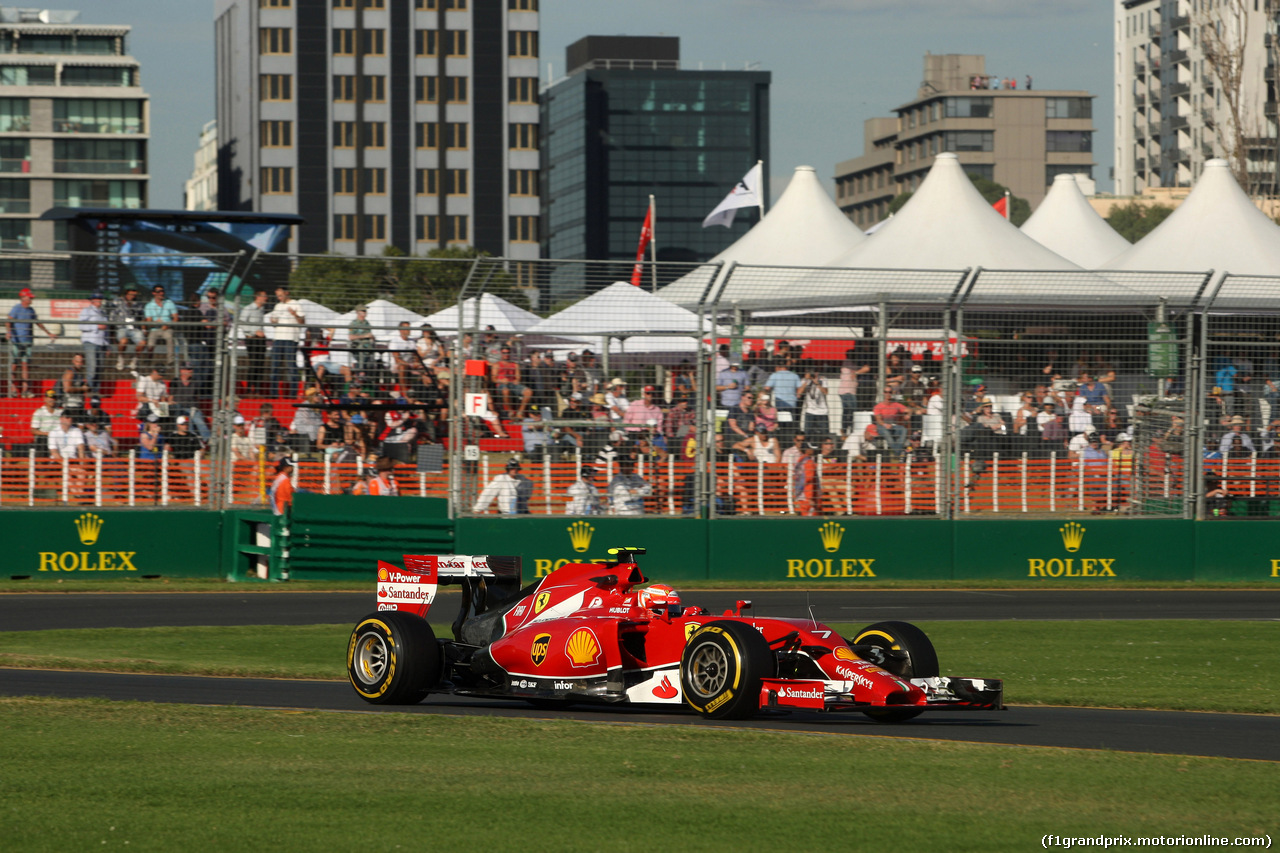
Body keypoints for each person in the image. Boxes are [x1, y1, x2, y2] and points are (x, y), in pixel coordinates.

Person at [8, 287, 59, 397]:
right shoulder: (16, 309)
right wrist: (9, 332)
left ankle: (25, 391)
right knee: (14, 365)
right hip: (17, 342)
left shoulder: (31, 310)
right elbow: (9, 320)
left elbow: (37, 322)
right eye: (29, 297)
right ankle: (12, 389)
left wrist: (48, 333)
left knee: (25, 365)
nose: (31, 299)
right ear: (23, 298)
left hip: (28, 341)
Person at [267, 285, 305, 394]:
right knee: (275, 366)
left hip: (291, 339)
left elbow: (302, 322)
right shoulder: (277, 306)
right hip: (278, 338)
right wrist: (272, 321)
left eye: (280, 295)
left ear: (286, 293)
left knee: (291, 366)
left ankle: (293, 393)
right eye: (277, 296)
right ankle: (273, 394)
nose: (279, 298)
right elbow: (274, 322)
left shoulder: (296, 304)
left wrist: (295, 314)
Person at [238, 290, 269, 395]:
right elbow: (241, 322)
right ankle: (249, 388)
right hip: (252, 339)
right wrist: (254, 331)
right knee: (254, 364)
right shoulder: (248, 308)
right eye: (264, 296)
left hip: (261, 340)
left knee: (260, 364)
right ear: (258, 297)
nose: (266, 298)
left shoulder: (261, 310)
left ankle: (257, 389)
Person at [78, 291, 109, 394]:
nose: (99, 302)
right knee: (92, 366)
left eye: (100, 299)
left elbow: (106, 330)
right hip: (90, 341)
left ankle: (96, 391)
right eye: (96, 299)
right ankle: (89, 390)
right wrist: (96, 326)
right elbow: (81, 326)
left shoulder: (103, 313)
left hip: (101, 342)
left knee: (100, 367)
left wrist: (107, 345)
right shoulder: (86, 311)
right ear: (92, 301)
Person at [169, 362, 211, 441]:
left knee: (199, 422)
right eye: (188, 369)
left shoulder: (195, 382)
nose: (191, 371)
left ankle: (210, 441)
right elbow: (170, 397)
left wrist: (196, 408)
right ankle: (190, 442)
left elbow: (197, 398)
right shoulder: (175, 381)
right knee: (188, 423)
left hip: (192, 408)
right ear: (182, 371)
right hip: (179, 409)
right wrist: (171, 403)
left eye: (191, 369)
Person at [143, 286, 179, 371]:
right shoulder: (149, 305)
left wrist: (168, 325)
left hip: (167, 327)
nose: (161, 293)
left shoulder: (169, 303)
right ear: (154, 293)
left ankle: (170, 361)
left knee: (169, 337)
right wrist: (154, 323)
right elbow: (148, 322)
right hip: (155, 329)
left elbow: (176, 318)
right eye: (159, 291)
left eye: (162, 291)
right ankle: (149, 360)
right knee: (150, 342)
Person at [110, 285, 146, 371]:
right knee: (123, 341)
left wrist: (144, 328)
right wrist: (111, 331)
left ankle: (135, 359)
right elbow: (111, 316)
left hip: (134, 328)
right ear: (126, 293)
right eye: (131, 294)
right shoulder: (117, 301)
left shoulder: (138, 303)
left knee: (143, 342)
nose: (133, 296)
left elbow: (142, 317)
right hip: (121, 327)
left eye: (134, 294)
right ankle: (120, 358)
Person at [493, 345, 532, 418]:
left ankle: (520, 412)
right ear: (501, 353)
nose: (506, 354)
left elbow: (518, 377)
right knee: (505, 391)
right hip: (501, 385)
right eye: (504, 353)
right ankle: (510, 411)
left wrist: (516, 380)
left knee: (528, 391)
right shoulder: (497, 364)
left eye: (507, 353)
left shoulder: (514, 365)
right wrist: (501, 380)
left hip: (512, 384)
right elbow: (493, 379)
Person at [764, 361, 802, 437]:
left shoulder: (775, 375)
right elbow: (799, 391)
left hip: (780, 406)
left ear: (778, 367)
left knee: (780, 427)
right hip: (791, 405)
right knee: (791, 428)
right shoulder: (794, 376)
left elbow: (766, 388)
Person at [871, 389, 909, 455]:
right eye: (886, 392)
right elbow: (879, 420)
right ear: (883, 393)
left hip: (893, 426)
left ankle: (897, 451)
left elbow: (908, 409)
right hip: (882, 426)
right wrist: (885, 425)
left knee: (904, 430)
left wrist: (908, 414)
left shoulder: (896, 405)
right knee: (886, 433)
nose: (888, 394)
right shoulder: (878, 406)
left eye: (890, 392)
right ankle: (898, 453)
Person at [798, 371, 829, 437]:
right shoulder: (805, 381)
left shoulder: (823, 379)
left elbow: (826, 392)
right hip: (810, 411)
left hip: (822, 412)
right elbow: (798, 394)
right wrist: (806, 381)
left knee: (824, 435)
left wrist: (817, 383)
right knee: (807, 435)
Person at [347, 305, 376, 375]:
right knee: (361, 350)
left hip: (368, 348)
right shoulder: (353, 323)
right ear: (358, 312)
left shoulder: (367, 323)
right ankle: (361, 372)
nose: (365, 312)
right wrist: (364, 336)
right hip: (357, 348)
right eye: (363, 311)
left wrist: (372, 337)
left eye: (365, 311)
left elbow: (370, 335)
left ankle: (361, 374)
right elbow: (350, 337)